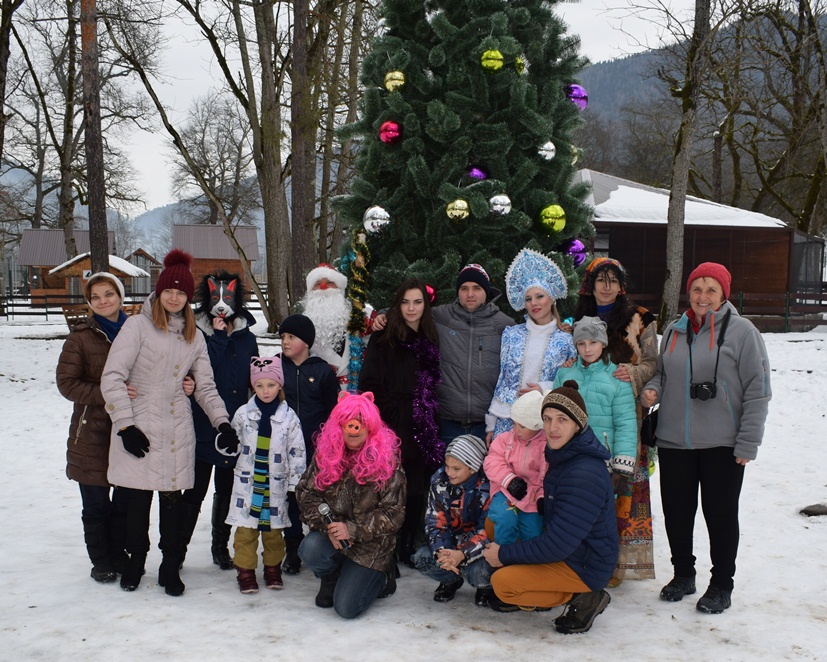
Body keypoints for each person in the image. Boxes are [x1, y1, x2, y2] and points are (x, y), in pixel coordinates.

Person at [101, 249, 239, 596]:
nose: (174, 297)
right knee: (136, 501)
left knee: (173, 502)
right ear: (159, 293)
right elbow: (113, 376)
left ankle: (169, 566)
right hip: (141, 424)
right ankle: (136, 561)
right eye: (169, 291)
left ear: (188, 298)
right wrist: (125, 426)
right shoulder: (137, 326)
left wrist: (222, 422)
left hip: (177, 428)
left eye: (181, 292)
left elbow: (205, 386)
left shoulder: (194, 336)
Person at [641, 262, 771, 614]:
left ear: (724, 294)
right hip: (673, 441)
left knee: (721, 515)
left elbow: (758, 392)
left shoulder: (743, 332)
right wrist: (652, 390)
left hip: (723, 444)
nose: (702, 296)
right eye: (697, 289)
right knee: (677, 513)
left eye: (711, 289)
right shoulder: (673, 330)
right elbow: (662, 376)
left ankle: (721, 585)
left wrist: (748, 443)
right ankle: (684, 574)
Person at [483, 382, 618, 635]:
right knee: (495, 521)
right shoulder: (562, 453)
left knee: (504, 585)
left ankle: (585, 595)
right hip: (570, 547)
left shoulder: (583, 474)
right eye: (547, 419)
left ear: (578, 424)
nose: (553, 428)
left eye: (562, 419)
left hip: (585, 564)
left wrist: (504, 555)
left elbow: (559, 545)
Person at [573, 257, 659, 584]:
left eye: (613, 280)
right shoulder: (578, 318)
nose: (606, 286)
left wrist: (633, 373)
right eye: (600, 279)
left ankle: (617, 563)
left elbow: (653, 363)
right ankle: (583, 556)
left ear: (621, 285)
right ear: (590, 284)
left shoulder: (640, 319)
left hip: (624, 419)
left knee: (623, 491)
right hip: (586, 420)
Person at [296, 391, 406, 619]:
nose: (353, 428)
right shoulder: (325, 454)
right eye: (347, 422)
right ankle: (331, 575)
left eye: (361, 422)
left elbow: (394, 514)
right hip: (333, 536)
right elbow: (306, 494)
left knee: (346, 608)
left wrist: (352, 530)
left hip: (370, 545)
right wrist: (330, 527)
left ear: (371, 426)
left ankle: (384, 577)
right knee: (310, 549)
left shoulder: (387, 461)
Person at [359, 278, 442, 570]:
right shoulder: (385, 337)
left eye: (417, 302)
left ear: (425, 305)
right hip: (392, 424)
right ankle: (388, 545)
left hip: (424, 423)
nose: (411, 308)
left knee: (417, 487)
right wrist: (386, 418)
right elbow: (368, 383)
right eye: (405, 302)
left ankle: (408, 542)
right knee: (390, 485)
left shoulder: (431, 336)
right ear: (397, 303)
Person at [56, 273, 132, 583]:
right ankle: (101, 560)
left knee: (125, 503)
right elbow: (67, 384)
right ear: (89, 302)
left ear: (120, 296)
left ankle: (118, 553)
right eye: (96, 296)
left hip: (131, 429)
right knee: (97, 503)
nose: (103, 301)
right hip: (92, 433)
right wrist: (109, 394)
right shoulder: (80, 337)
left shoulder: (136, 332)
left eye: (109, 294)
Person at [181, 271, 259, 571]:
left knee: (227, 491)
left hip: (234, 431)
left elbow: (255, 377)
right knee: (195, 490)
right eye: (216, 299)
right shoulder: (197, 334)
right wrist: (219, 338)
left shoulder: (247, 337)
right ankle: (179, 549)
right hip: (204, 426)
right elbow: (203, 370)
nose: (222, 306)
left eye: (228, 299)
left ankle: (219, 545)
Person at [554, 317, 638, 583]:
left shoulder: (617, 380)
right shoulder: (565, 373)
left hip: (601, 462)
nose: (587, 349)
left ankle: (603, 568)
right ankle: (569, 564)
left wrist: (622, 465)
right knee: (568, 513)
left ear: (603, 343)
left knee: (600, 519)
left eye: (593, 342)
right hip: (569, 458)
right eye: (581, 343)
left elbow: (625, 423)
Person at [226, 356, 305, 594]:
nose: (265, 390)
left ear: (280, 385)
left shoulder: (289, 418)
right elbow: (232, 444)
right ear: (253, 386)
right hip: (248, 484)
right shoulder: (243, 414)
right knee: (246, 530)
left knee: (273, 532)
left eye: (270, 385)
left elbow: (297, 451)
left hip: (275, 485)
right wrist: (225, 442)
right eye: (259, 385)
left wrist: (295, 483)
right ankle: (245, 571)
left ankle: (272, 568)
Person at [486, 248, 576, 442]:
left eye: (539, 296)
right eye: (528, 298)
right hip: (507, 420)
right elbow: (502, 379)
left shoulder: (566, 341)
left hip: (545, 421)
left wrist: (544, 388)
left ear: (551, 298)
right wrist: (491, 424)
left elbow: (573, 383)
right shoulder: (511, 334)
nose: (534, 303)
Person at [277, 313, 339, 574]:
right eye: (282, 337)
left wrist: (329, 444)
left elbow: (333, 412)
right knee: (290, 498)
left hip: (316, 449)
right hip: (284, 449)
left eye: (291, 337)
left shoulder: (322, 370)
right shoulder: (276, 367)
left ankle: (319, 546)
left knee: (315, 497)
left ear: (306, 341)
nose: (284, 342)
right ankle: (292, 548)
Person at [432, 264, 515, 446]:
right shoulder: (440, 317)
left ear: (486, 292)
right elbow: (408, 312)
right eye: (464, 288)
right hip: (448, 424)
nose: (470, 294)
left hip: (487, 426)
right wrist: (383, 316)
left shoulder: (505, 325)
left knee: (488, 474)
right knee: (449, 474)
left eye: (476, 288)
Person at [413, 434, 494, 606]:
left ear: (473, 468)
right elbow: (435, 521)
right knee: (423, 558)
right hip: (451, 542)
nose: (449, 472)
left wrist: (463, 553)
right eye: (447, 466)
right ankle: (451, 580)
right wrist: (442, 551)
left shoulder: (489, 487)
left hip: (476, 547)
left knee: (480, 571)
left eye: (456, 469)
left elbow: (487, 531)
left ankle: (484, 586)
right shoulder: (439, 480)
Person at [484, 390, 548, 546]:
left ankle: (527, 563)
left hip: (532, 493)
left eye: (522, 426)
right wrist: (509, 480)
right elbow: (492, 461)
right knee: (506, 519)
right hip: (505, 489)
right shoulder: (505, 439)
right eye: (514, 423)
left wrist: (541, 496)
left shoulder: (545, 446)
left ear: (537, 425)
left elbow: (546, 475)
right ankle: (502, 557)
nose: (516, 429)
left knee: (532, 530)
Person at [299, 263, 375, 389]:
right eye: (317, 284)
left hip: (358, 390)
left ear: (339, 289)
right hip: (320, 392)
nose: (323, 287)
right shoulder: (302, 324)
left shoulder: (359, 315)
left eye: (329, 283)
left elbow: (378, 341)